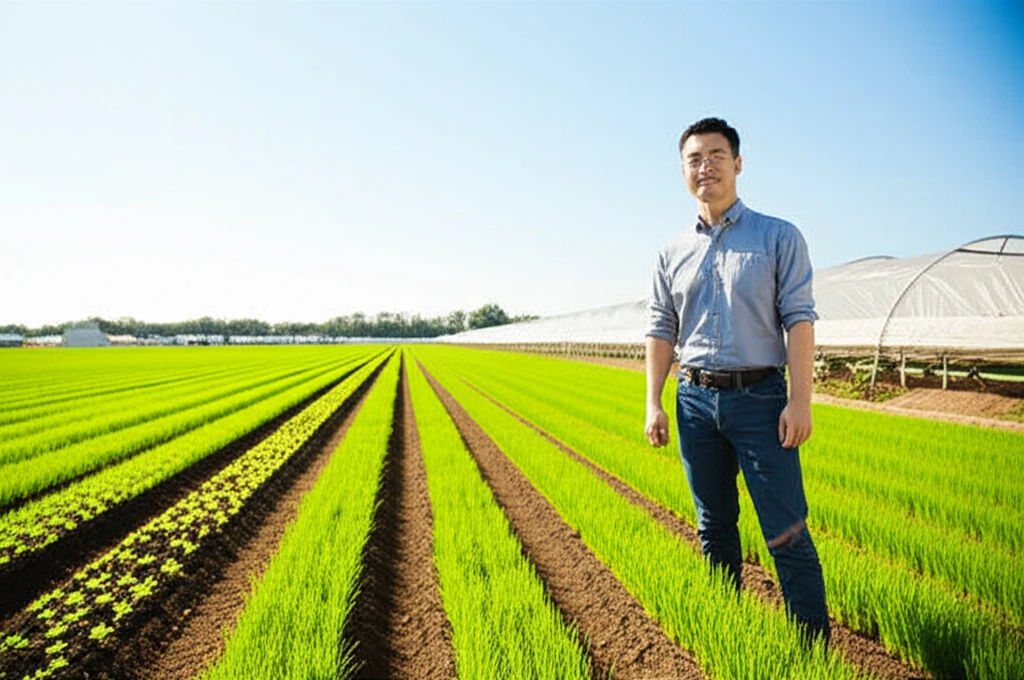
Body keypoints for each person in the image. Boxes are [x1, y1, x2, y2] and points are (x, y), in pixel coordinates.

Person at [644, 117, 830, 645]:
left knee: (787, 532)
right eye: (695, 159)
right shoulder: (670, 252)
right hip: (695, 402)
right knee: (714, 526)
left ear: (738, 164)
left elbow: (800, 319)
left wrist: (800, 400)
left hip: (761, 400)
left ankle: (812, 652)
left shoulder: (777, 236)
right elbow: (661, 328)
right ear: (683, 170)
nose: (706, 166)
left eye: (716, 155)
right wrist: (653, 402)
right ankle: (729, 637)